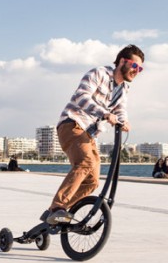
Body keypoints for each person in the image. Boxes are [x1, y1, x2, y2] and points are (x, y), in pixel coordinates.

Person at [40, 44, 145, 225]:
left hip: (89, 134)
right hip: (72, 123)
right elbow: (82, 96)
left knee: (92, 181)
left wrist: (124, 121)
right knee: (86, 162)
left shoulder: (123, 89)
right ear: (122, 62)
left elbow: (120, 109)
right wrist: (103, 113)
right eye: (134, 66)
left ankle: (55, 212)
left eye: (140, 68)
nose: (137, 71)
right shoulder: (99, 73)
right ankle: (58, 207)